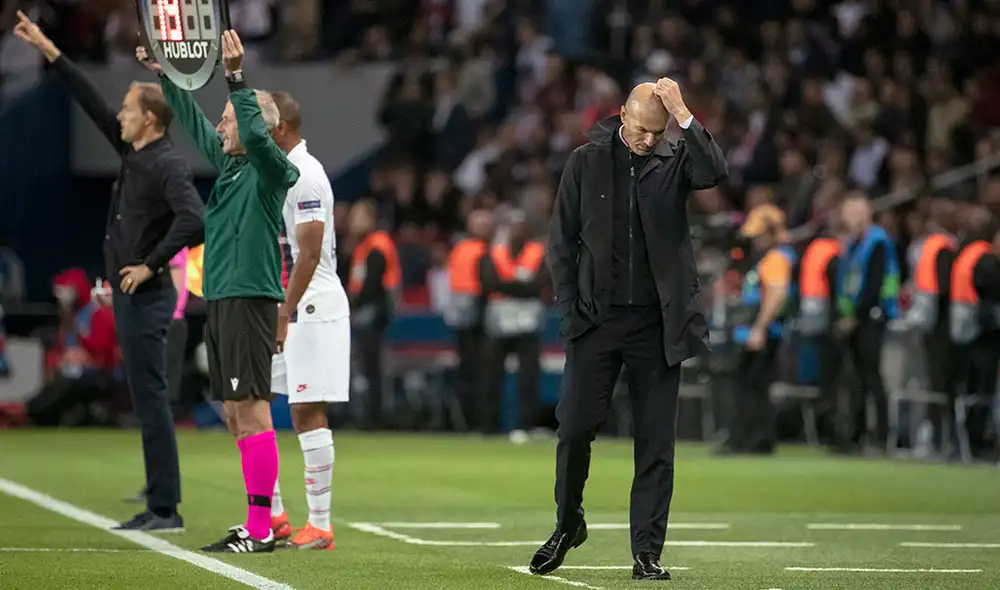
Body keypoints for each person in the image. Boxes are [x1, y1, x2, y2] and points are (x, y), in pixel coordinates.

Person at [13, 11, 203, 531]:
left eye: (128, 109)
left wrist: (147, 266)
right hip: (128, 295)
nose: (119, 115)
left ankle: (166, 507)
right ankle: (159, 501)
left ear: (151, 120)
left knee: (153, 400)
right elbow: (91, 101)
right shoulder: (134, 154)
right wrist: (51, 51)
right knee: (144, 401)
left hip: (151, 297)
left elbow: (195, 219)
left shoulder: (166, 164)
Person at [534, 79, 726, 580]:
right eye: (641, 130)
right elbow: (561, 241)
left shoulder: (676, 157)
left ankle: (647, 553)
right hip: (596, 322)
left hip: (658, 326)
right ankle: (566, 522)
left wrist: (683, 112)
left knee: (656, 443)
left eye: (656, 132)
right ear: (622, 115)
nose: (647, 140)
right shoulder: (585, 161)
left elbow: (715, 171)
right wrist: (572, 310)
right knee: (574, 428)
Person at [137, 31, 300, 553]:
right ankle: (262, 517)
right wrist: (165, 74)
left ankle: (259, 530)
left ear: (258, 127)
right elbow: (192, 123)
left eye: (227, 118)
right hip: (225, 298)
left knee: (251, 409)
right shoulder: (232, 168)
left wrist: (236, 79)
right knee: (234, 412)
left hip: (251, 297)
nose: (219, 125)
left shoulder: (273, 170)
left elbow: (250, 131)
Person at [265, 91, 350, 550]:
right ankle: (274, 515)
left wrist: (284, 311)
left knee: (306, 410)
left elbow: (311, 253)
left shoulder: (307, 177)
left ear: (279, 128)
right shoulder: (285, 173)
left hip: (311, 307)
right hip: (290, 304)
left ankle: (320, 524)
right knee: (252, 399)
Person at [719, 204, 795, 455]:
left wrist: (759, 329)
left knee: (752, 387)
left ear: (772, 233)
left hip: (761, 333)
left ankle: (753, 440)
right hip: (756, 331)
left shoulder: (775, 259)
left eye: (761, 235)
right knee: (751, 386)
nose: (756, 240)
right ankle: (751, 439)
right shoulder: (769, 258)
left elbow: (777, 294)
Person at [829, 194, 900, 453]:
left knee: (872, 377)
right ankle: (855, 436)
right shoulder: (853, 245)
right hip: (855, 319)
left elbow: (873, 284)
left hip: (872, 317)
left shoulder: (877, 242)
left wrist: (855, 317)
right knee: (856, 379)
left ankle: (881, 437)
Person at [480, 211, 546, 440]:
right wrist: (520, 286)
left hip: (527, 323)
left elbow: (539, 285)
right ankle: (488, 425)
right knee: (491, 374)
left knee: (529, 376)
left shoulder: (537, 253)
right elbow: (489, 283)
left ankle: (525, 426)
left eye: (522, 227)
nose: (518, 231)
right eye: (514, 227)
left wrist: (506, 286)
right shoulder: (495, 253)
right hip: (500, 322)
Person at [949, 209, 1000, 459]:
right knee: (983, 389)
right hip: (983, 333)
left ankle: (965, 441)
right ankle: (977, 442)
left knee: (969, 387)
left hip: (962, 328)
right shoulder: (986, 260)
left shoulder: (967, 254)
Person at [346, 201, 401, 429]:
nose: (353, 222)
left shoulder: (377, 246)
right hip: (367, 311)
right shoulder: (365, 246)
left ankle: (373, 417)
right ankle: (369, 413)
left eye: (358, 217)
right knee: (368, 366)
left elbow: (372, 284)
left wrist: (350, 303)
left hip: (374, 312)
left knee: (371, 367)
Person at [443, 210, 493, 430]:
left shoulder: (459, 250)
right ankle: (479, 422)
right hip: (478, 319)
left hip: (461, 318)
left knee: (467, 372)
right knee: (479, 373)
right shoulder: (483, 252)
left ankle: (466, 422)